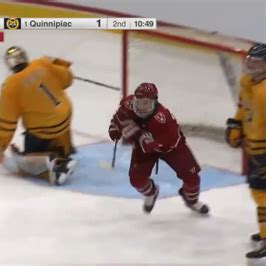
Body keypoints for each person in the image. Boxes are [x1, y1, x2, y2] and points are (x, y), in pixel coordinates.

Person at [109, 82, 209, 214]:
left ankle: (192, 201)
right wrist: (115, 127)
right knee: (136, 181)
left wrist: (144, 139)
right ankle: (152, 193)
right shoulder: (128, 104)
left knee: (193, 179)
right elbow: (119, 117)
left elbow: (170, 141)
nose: (140, 108)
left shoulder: (163, 119)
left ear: (154, 102)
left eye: (145, 103)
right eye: (138, 102)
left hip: (172, 148)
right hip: (144, 148)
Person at [0, 46, 76, 185]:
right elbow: (68, 79)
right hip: (65, 117)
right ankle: (65, 150)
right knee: (57, 124)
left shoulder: (10, 86)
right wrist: (60, 64)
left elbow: (6, 122)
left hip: (42, 128)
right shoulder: (42, 63)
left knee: (31, 165)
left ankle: (58, 165)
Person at [226, 43, 266, 259]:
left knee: (262, 194)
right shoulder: (247, 82)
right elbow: (244, 108)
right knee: (259, 192)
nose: (251, 66)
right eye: (249, 61)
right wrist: (235, 124)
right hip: (256, 148)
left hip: (263, 150)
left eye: (257, 63)